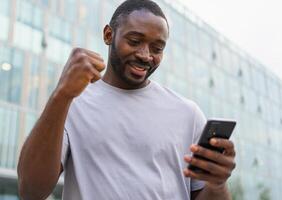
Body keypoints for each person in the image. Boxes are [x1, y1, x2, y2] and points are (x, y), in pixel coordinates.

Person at [17, 0, 236, 199]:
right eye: (134, 41)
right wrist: (61, 95)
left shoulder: (188, 114)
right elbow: (30, 191)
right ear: (108, 35)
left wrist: (217, 184)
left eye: (157, 48)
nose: (145, 54)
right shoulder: (72, 103)